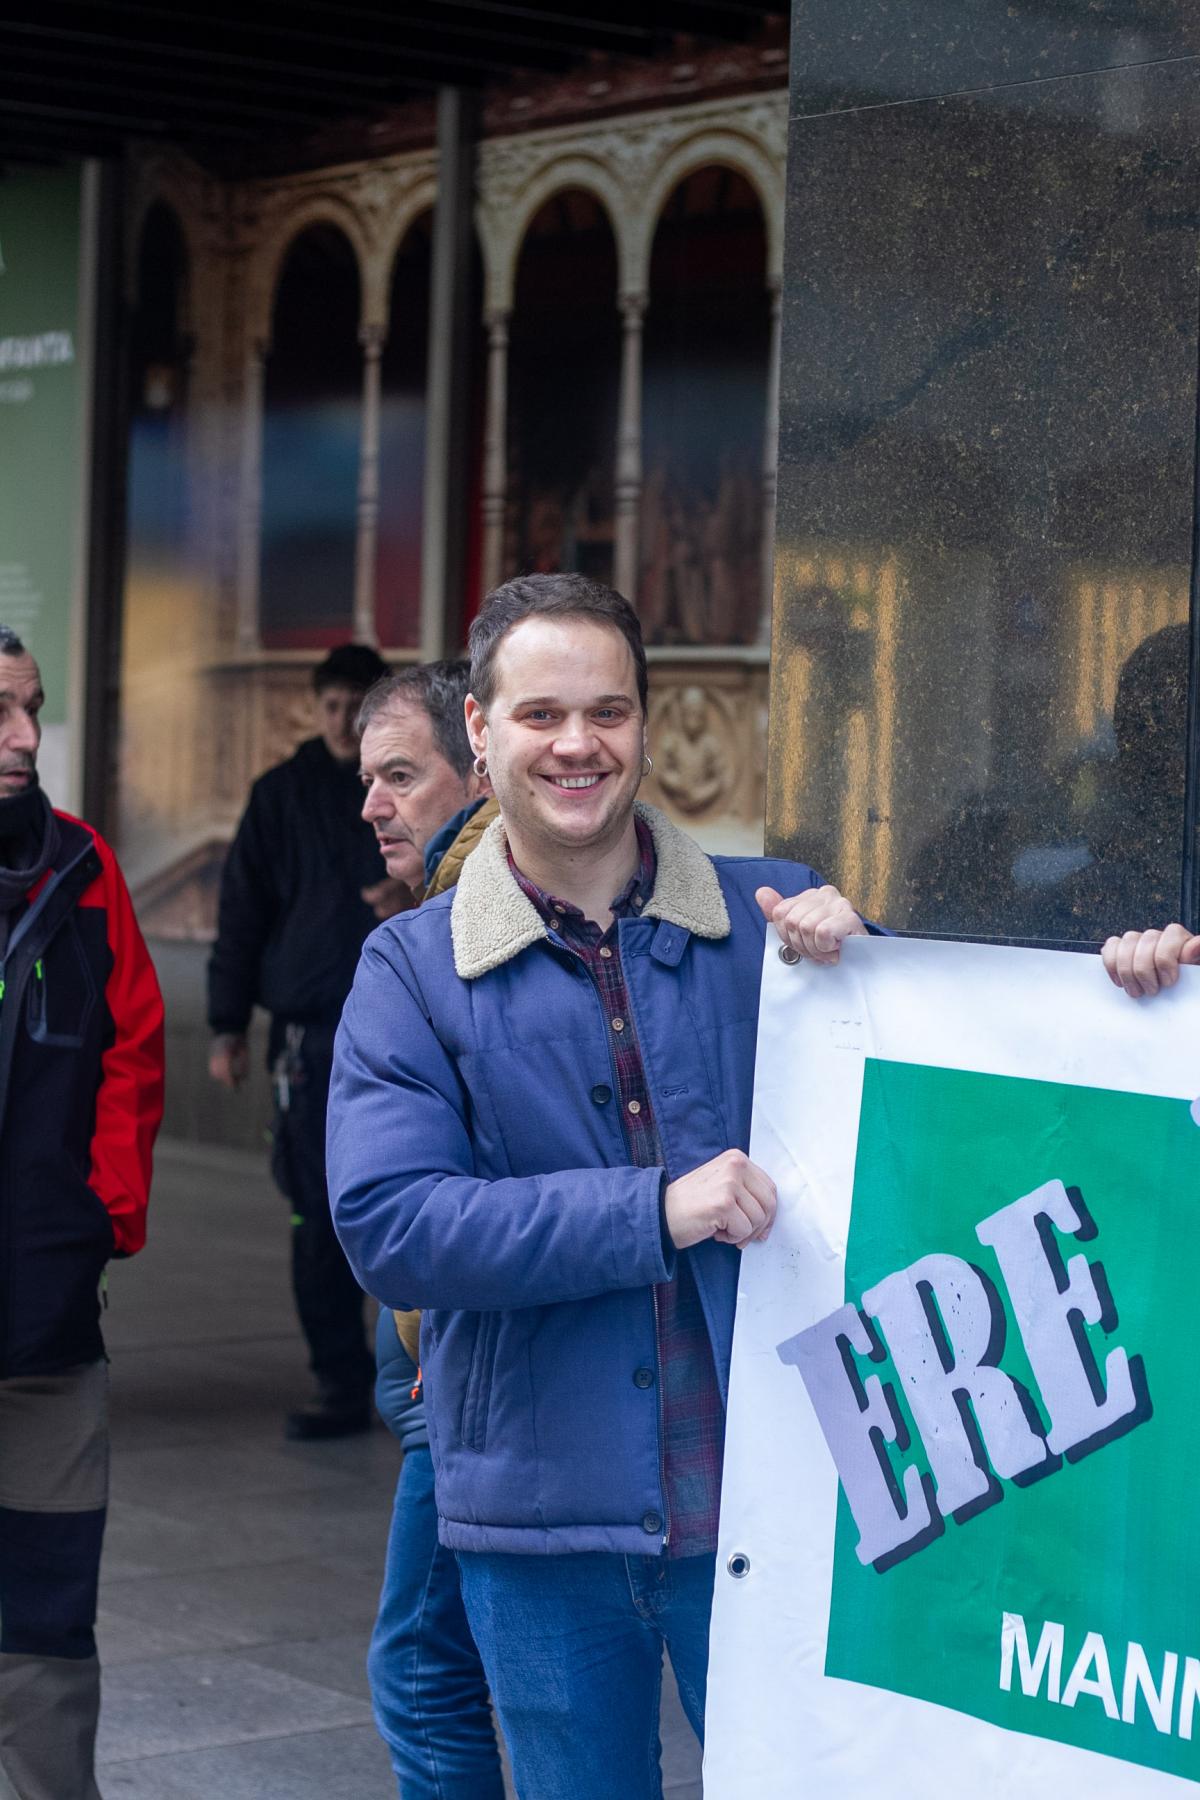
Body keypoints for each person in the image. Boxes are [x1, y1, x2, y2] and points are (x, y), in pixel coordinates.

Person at [326, 573, 875, 1798]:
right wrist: (653, 1207)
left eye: (610, 712)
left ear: (645, 719)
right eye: (540, 715)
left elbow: (955, 1081)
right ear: (480, 730)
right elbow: (393, 1226)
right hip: (540, 1530)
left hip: (773, 1514)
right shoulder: (409, 970)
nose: (579, 744)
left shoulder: (774, 916)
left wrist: (1121, 980)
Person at [0, 626, 164, 1800]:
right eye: (0, 711)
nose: (24, 737)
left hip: (46, 1317)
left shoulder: (82, 862)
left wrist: (102, 1217)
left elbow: (136, 1047)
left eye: (34, 708)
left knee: (50, 1606)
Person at [354, 660, 501, 1797]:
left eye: (400, 775)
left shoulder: (474, 921)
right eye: (370, 779)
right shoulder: (432, 919)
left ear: (475, 763)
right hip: (441, 1360)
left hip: (469, 1367)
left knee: (419, 1665)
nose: (373, 805)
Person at [207, 641, 400, 1440]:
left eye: (357, 709)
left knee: (404, 1200)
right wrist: (225, 1025)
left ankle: (413, 1381)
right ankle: (337, 1380)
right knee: (315, 1213)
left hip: (394, 1021)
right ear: (315, 709)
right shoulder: (279, 794)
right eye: (331, 707)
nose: (342, 724)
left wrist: (414, 885)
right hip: (306, 1033)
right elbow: (241, 911)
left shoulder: (401, 789)